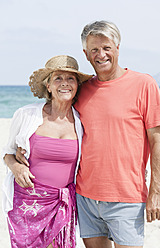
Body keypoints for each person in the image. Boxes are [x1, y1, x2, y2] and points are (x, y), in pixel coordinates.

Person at [15, 21, 160, 248]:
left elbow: (158, 140)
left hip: (127, 197)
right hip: (85, 198)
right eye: (94, 49)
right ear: (85, 54)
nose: (101, 54)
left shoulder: (144, 84)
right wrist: (23, 144)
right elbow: (56, 119)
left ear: (117, 47)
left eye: (106, 48)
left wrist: (156, 191)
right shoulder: (82, 90)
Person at [1, 55, 92, 248]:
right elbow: (8, 153)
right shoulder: (26, 115)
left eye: (70, 79)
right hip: (26, 202)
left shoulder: (82, 121)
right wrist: (16, 167)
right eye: (58, 78)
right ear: (48, 86)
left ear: (77, 86)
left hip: (61, 203)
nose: (64, 84)